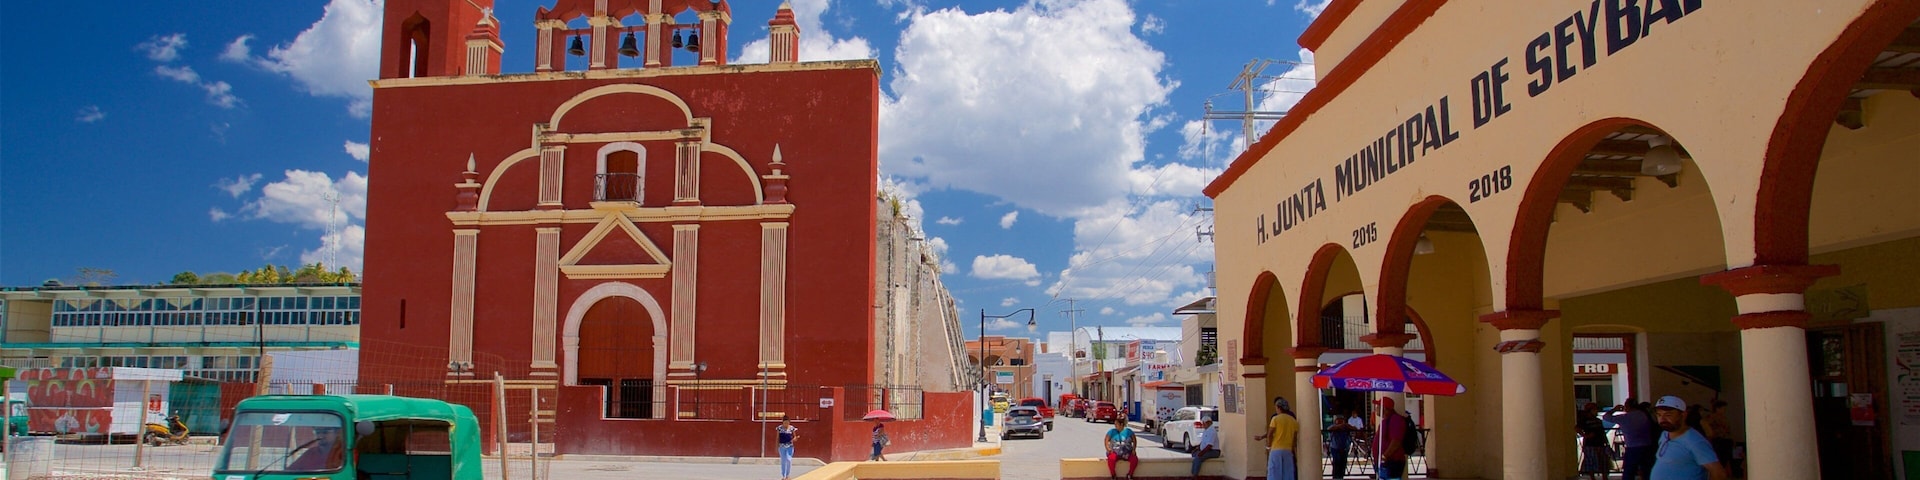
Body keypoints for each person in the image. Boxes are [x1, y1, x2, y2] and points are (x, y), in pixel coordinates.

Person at [1650, 396, 1728, 480]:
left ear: (1683, 415)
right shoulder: (1665, 434)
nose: (1662, 419)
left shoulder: (1695, 442)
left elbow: (1718, 474)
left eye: (1668, 415)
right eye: (1659, 415)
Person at [1606, 398, 1657, 480]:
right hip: (1647, 446)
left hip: (1632, 448)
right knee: (1647, 472)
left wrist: (1614, 409)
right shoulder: (1644, 415)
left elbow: (1606, 417)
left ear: (1627, 406)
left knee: (1629, 473)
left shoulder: (1624, 417)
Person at [1253, 396, 1298, 480]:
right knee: (1288, 474)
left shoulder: (1275, 419)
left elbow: (1270, 434)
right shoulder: (1293, 420)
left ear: (1279, 408)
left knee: (1274, 473)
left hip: (1276, 449)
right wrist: (1293, 449)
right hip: (1288, 450)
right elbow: (1294, 438)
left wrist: (1268, 447)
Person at [1375, 397, 1409, 480]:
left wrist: (1385, 456)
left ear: (1385, 408)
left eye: (1378, 406)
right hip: (1386, 462)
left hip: (1392, 462)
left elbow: (1396, 441)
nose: (1376, 408)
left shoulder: (1395, 419)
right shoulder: (1386, 420)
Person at [1578, 403, 1614, 480]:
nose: (1596, 411)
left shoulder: (1598, 421)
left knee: (1603, 462)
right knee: (1591, 462)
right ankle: (1592, 478)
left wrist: (1606, 442)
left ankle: (1605, 477)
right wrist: (1585, 436)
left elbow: (1602, 432)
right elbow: (1577, 428)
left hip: (1600, 444)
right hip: (1590, 444)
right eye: (1594, 409)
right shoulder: (1584, 421)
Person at [1327, 406, 1359, 479]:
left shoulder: (1346, 427)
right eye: (1339, 420)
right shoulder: (1334, 426)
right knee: (1336, 464)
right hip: (1335, 448)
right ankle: (1336, 477)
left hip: (1344, 448)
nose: (1340, 421)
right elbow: (1329, 429)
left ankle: (1341, 476)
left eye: (1342, 420)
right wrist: (1339, 426)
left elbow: (1355, 429)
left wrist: (1347, 426)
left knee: (1343, 464)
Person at [1701, 399, 1733, 471]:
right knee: (1718, 460)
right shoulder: (1712, 417)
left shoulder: (1724, 418)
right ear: (1717, 408)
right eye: (1723, 408)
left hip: (1726, 441)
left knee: (1724, 461)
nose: (1724, 410)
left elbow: (1728, 430)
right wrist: (1710, 434)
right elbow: (1704, 423)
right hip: (1718, 441)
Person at [1189, 416, 1220, 480]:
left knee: (1198, 458)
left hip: (1213, 451)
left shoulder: (1212, 431)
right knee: (1194, 454)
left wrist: (1201, 453)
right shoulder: (1206, 430)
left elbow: (1209, 445)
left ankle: (1194, 475)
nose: (1203, 425)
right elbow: (1203, 442)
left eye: (1204, 423)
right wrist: (1197, 449)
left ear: (1208, 423)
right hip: (1207, 450)